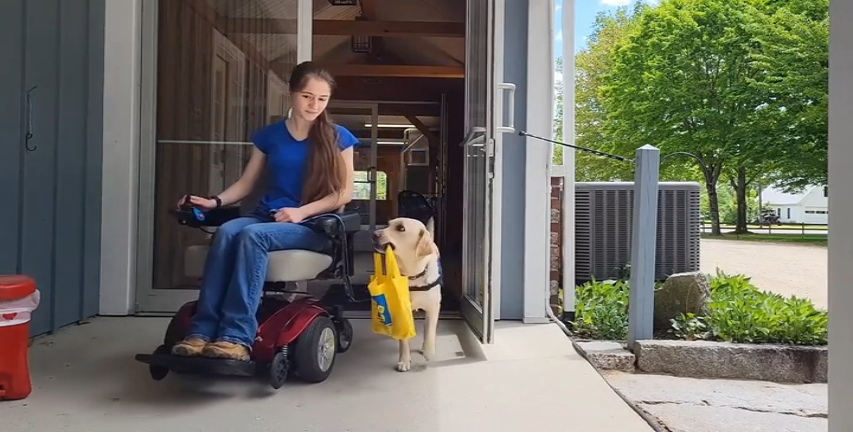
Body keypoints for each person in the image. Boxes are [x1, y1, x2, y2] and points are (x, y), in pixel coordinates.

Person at [171, 61, 359, 362]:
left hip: (311, 225)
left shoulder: (338, 137)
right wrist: (215, 201)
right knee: (228, 231)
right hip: (266, 217)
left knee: (252, 236)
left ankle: (236, 337)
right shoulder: (270, 136)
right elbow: (246, 183)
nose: (314, 105)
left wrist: (301, 212)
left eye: (322, 99)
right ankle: (201, 332)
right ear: (292, 93)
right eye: (307, 96)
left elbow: (343, 193)